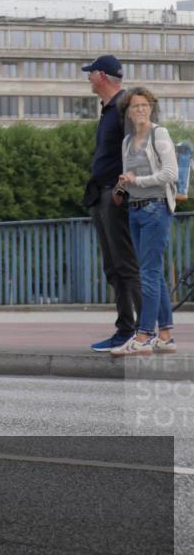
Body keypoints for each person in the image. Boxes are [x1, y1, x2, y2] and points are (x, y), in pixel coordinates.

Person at [111, 88, 179, 357]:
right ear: (128, 111)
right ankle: (164, 335)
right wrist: (123, 184)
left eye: (144, 105)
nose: (139, 110)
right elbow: (130, 174)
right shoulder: (127, 141)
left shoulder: (158, 134)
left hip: (156, 209)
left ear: (151, 108)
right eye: (135, 106)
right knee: (153, 272)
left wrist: (137, 181)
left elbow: (170, 173)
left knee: (148, 274)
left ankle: (143, 336)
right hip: (135, 210)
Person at [81, 55, 141, 353]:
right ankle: (127, 329)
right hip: (101, 195)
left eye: (90, 74)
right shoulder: (107, 110)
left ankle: (141, 332)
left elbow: (138, 152)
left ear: (101, 75)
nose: (88, 78)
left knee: (125, 265)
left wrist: (120, 190)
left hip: (115, 196)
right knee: (113, 268)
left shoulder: (123, 107)